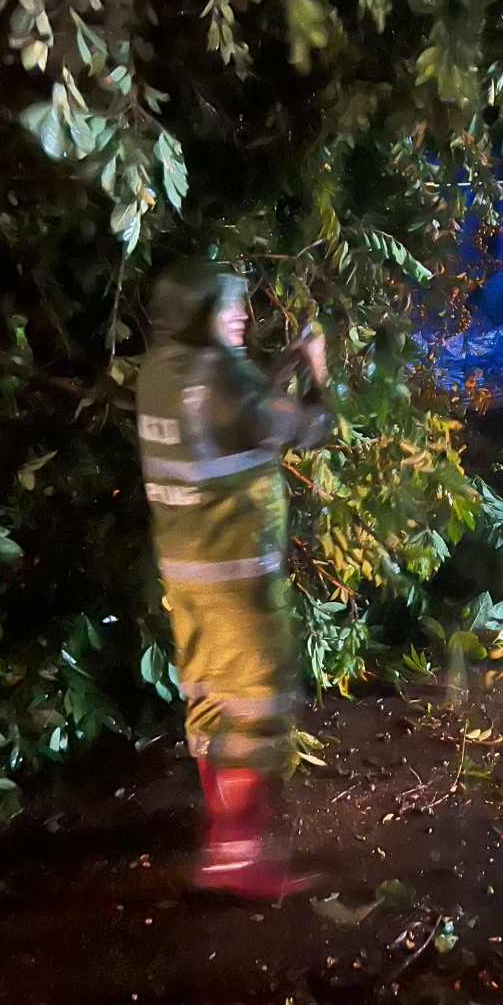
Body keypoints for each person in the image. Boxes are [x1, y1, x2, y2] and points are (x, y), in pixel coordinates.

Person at [136, 258, 332, 899]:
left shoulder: (162, 373)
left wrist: (282, 366)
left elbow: (241, 411)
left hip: (187, 576)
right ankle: (235, 853)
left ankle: (221, 830)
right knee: (255, 701)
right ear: (200, 314)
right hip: (235, 580)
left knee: (210, 697)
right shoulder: (223, 380)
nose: (242, 315)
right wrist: (318, 373)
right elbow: (304, 427)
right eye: (228, 306)